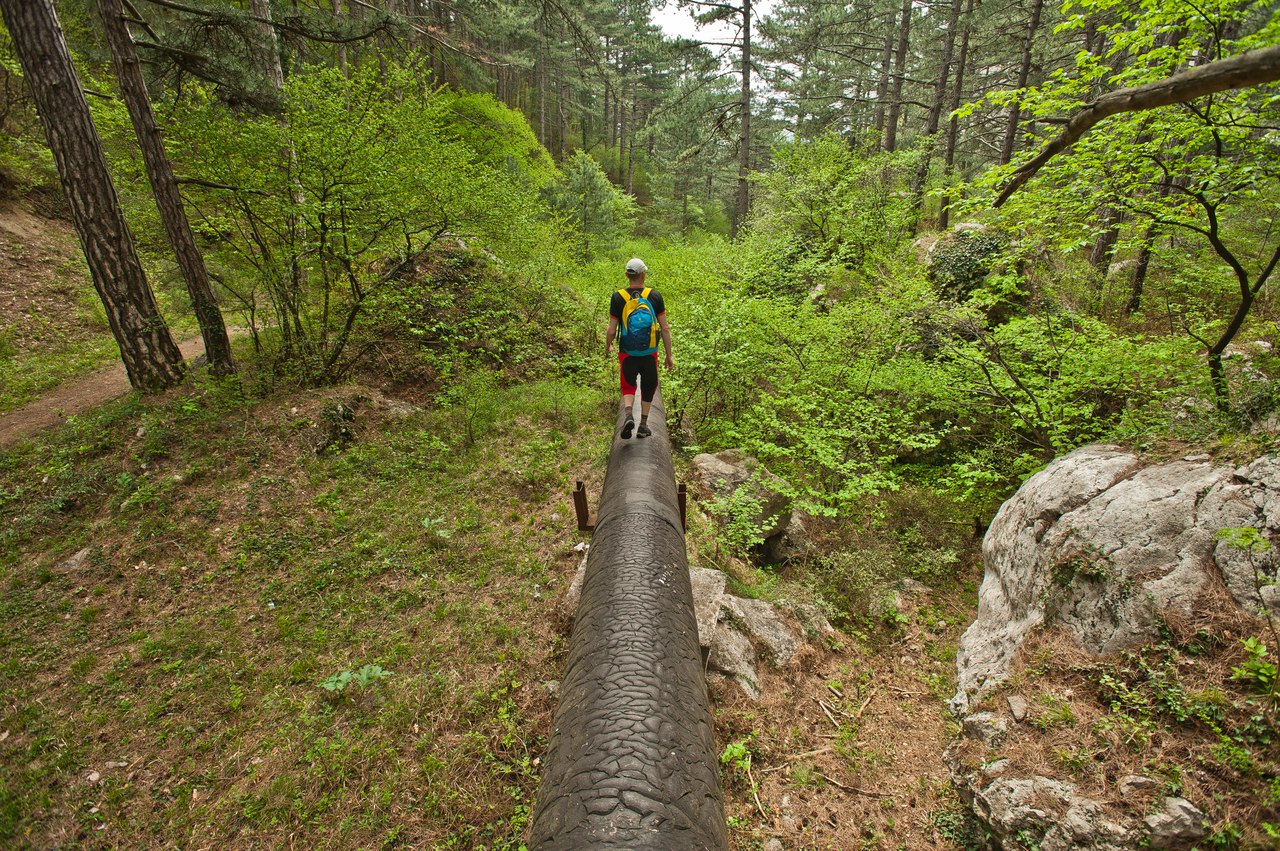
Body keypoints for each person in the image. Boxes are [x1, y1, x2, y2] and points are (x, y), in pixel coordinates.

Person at [605, 257, 674, 439]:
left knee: (628, 385)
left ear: (627, 275)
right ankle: (643, 425)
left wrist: (608, 345)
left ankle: (628, 415)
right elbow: (665, 328)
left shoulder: (618, 297)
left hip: (627, 351)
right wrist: (669, 355)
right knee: (649, 386)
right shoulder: (654, 296)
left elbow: (612, 329)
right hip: (650, 352)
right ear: (643, 274)